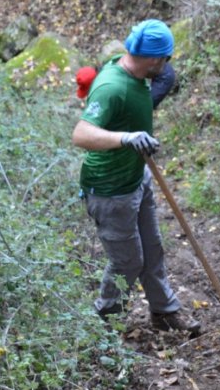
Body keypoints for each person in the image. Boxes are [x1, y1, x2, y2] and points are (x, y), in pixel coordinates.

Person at [70, 19, 200, 336]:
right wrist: (127, 139)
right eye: (166, 58)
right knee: (128, 263)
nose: (168, 65)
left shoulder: (136, 70)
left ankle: (164, 313)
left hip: (136, 178)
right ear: (154, 59)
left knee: (152, 251)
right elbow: (81, 134)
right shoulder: (113, 86)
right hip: (110, 191)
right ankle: (103, 323)